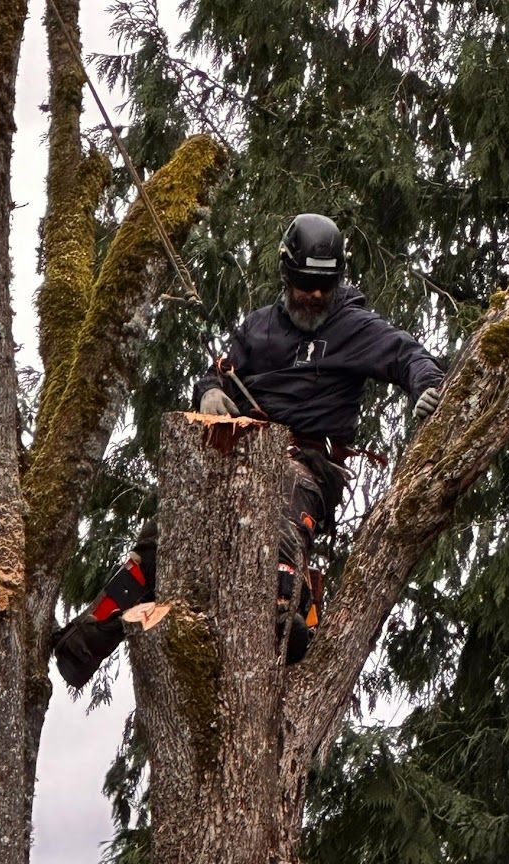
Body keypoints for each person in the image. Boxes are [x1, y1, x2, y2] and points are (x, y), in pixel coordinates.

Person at [53, 213, 443, 688]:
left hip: (308, 463)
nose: (315, 295)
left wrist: (428, 386)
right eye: (305, 284)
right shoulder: (258, 328)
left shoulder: (356, 328)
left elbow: (411, 357)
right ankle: (86, 640)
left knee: (279, 514)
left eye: (325, 285)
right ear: (286, 274)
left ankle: (287, 618)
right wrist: (209, 392)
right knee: (168, 531)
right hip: (239, 451)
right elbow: (216, 371)